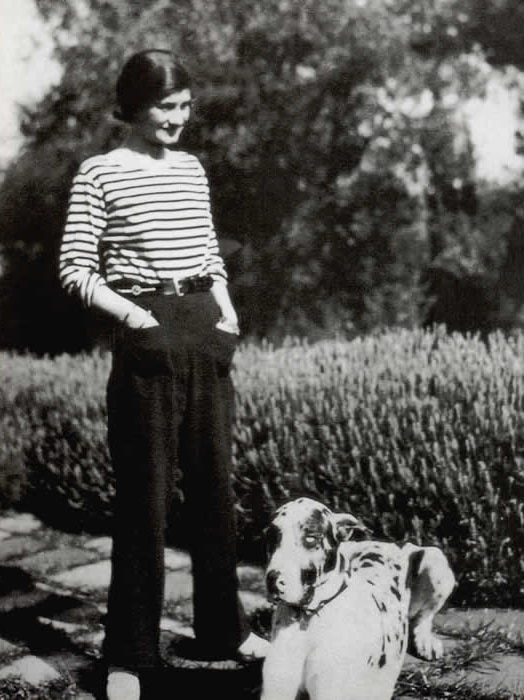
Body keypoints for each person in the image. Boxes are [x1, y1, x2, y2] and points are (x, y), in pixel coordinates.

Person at [59, 49, 269, 700]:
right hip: (147, 332)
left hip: (205, 327)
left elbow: (209, 251)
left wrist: (227, 314)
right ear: (132, 105)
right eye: (165, 107)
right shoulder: (99, 174)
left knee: (213, 490)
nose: (178, 119)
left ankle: (222, 632)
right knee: (144, 503)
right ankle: (128, 656)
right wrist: (135, 318)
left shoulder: (192, 169)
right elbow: (75, 269)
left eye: (185, 107)